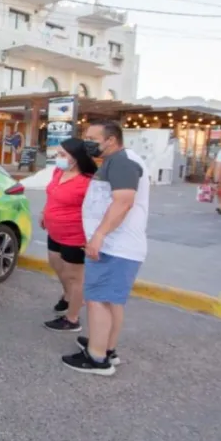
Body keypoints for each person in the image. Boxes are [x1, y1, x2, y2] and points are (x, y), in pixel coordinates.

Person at [62, 123, 149, 376]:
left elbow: (123, 202)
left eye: (92, 138)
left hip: (115, 246)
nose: (86, 142)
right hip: (114, 244)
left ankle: (97, 358)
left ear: (110, 140)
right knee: (110, 301)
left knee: (98, 300)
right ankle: (106, 348)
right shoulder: (115, 160)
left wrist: (98, 235)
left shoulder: (122, 161)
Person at [41, 138, 98, 332]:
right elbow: (52, 195)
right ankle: (68, 296)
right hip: (54, 231)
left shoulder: (88, 182)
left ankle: (72, 319)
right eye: (58, 154)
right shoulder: (59, 171)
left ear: (76, 158)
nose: (58, 158)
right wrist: (44, 213)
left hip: (75, 236)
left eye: (63, 155)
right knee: (57, 265)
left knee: (75, 278)